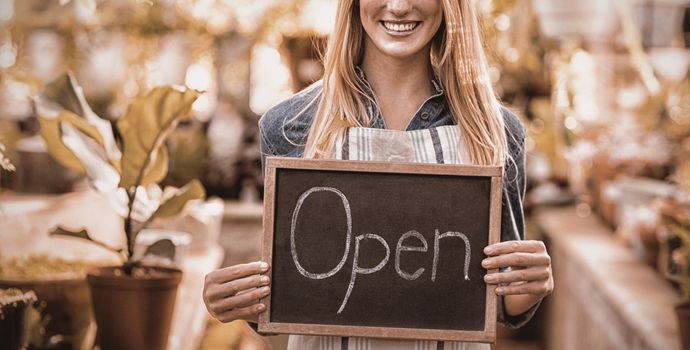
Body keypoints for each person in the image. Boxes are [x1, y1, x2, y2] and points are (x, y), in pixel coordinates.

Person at [203, 0, 554, 348]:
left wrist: (532, 283)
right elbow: (295, 291)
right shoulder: (290, 126)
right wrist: (241, 301)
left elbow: (501, 301)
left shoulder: (495, 130)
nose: (399, 7)